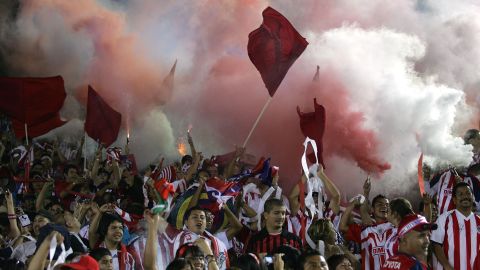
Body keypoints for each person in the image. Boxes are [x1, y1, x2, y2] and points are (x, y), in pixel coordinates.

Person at [431, 182, 480, 270]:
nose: (465, 196)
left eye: (468, 193)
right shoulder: (444, 219)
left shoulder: (479, 221)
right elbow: (435, 245)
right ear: (454, 200)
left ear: (473, 197)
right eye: (460, 194)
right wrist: (447, 266)